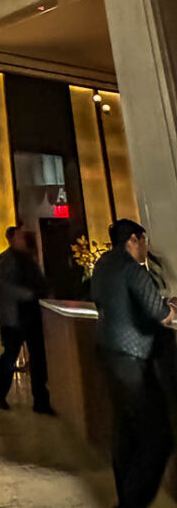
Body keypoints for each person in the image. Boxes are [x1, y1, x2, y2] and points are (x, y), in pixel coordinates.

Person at [91, 218, 176, 508]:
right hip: (132, 357)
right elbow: (160, 313)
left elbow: (102, 302)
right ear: (133, 240)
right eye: (144, 241)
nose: (146, 248)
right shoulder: (132, 269)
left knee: (125, 431)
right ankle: (133, 503)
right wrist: (172, 307)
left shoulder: (102, 265)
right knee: (158, 437)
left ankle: (126, 495)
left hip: (108, 352)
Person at [0, 225, 54, 413]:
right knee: (10, 356)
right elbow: (5, 287)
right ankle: (0, 393)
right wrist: (30, 294)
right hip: (13, 317)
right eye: (19, 236)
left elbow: (39, 281)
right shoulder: (3, 260)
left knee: (38, 358)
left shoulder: (29, 259)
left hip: (31, 315)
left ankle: (41, 401)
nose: (23, 239)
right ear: (11, 239)